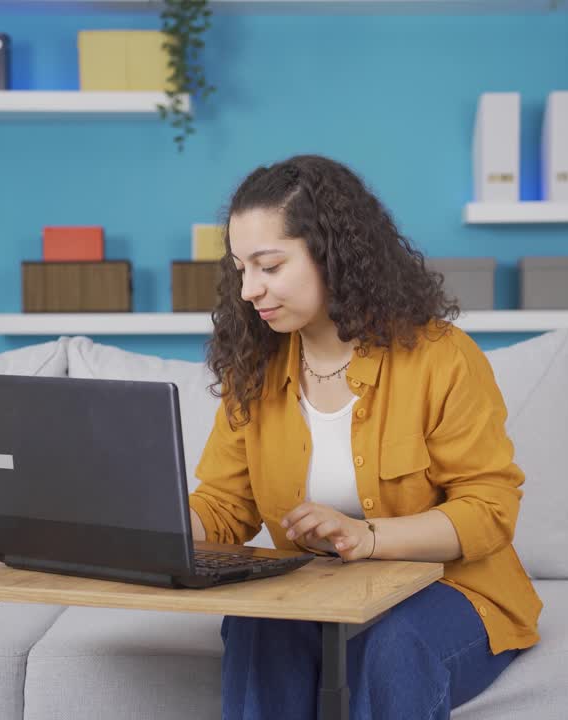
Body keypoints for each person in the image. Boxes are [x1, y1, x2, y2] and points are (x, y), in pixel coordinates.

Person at [187, 154, 542, 720]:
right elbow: (226, 506)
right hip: (317, 593)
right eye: (240, 269)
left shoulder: (441, 358)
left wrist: (367, 537)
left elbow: (489, 509)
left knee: (397, 646)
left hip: (452, 592)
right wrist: (159, 523)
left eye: (270, 266)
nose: (250, 289)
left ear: (331, 254)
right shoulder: (252, 367)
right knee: (257, 625)